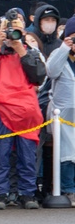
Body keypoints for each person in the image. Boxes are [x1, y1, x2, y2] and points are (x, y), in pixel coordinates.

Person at [0, 14, 46, 210]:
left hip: (26, 109)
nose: (11, 35)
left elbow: (39, 76)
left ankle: (28, 194)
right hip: (2, 107)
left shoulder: (29, 52)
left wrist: (20, 49)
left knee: (27, 153)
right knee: (1, 153)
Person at [45, 18, 75, 206]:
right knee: (67, 153)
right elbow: (51, 71)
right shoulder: (59, 53)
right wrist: (65, 48)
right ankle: (69, 189)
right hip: (63, 113)